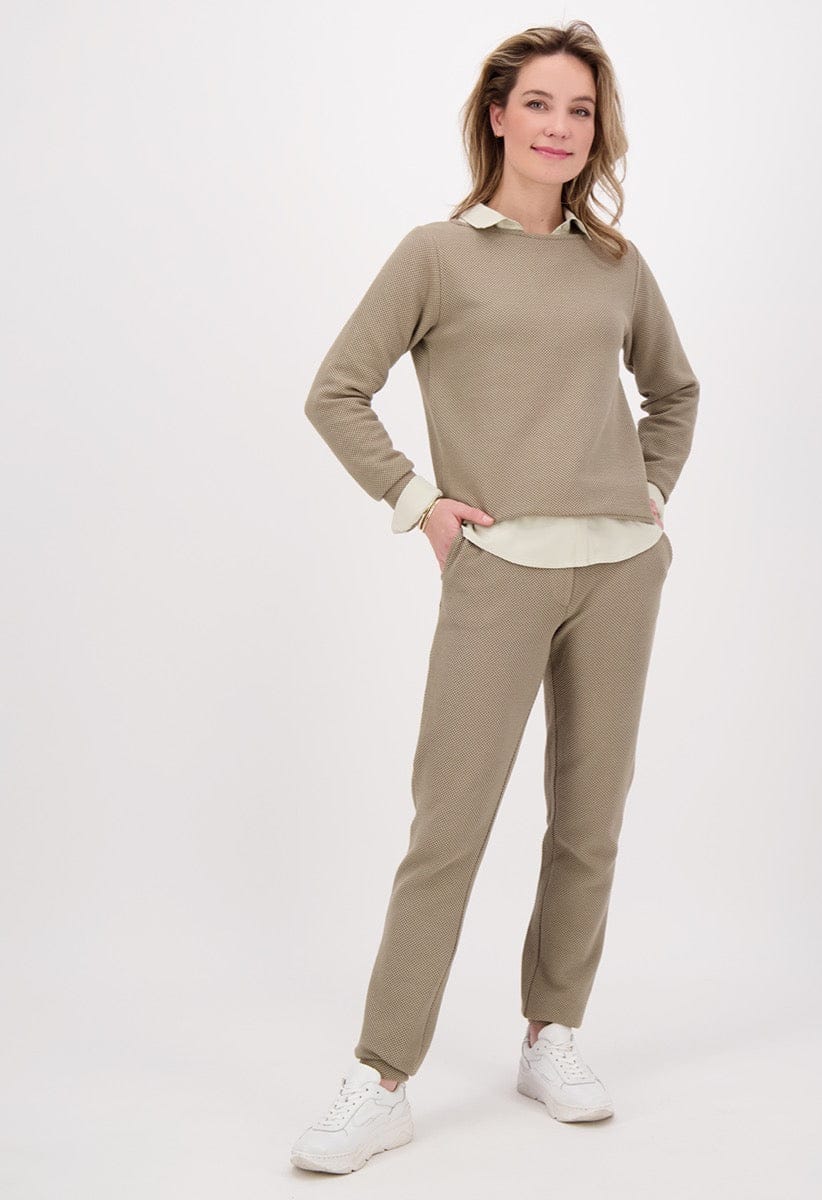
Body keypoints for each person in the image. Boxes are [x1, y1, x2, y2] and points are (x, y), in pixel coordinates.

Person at [290, 18, 699, 1174]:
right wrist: (419, 502)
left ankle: (550, 1033)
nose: (560, 127)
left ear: (594, 131)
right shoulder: (437, 254)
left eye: (581, 110)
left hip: (619, 570)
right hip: (497, 567)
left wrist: (648, 493)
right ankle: (381, 1077)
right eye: (540, 105)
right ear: (498, 116)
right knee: (449, 825)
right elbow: (336, 391)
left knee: (589, 817)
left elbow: (673, 392)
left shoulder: (616, 265)